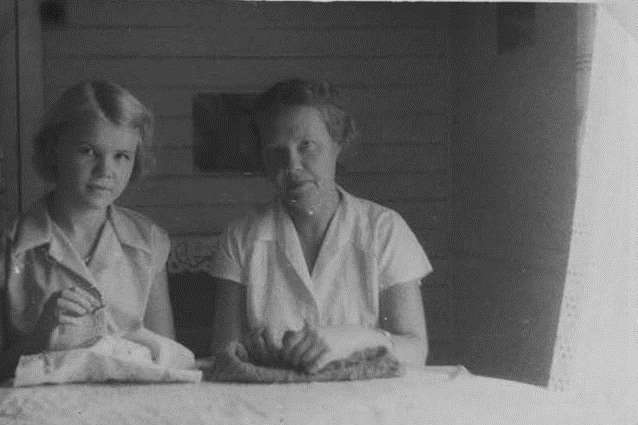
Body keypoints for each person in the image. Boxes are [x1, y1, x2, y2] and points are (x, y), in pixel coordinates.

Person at [210, 78, 432, 373]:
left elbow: (416, 350)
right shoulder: (241, 236)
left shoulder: (384, 229)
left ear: (337, 144)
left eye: (307, 146)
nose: (292, 166)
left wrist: (352, 340)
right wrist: (251, 351)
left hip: (367, 403)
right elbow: (223, 353)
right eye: (276, 152)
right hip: (275, 405)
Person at [0, 81, 176, 379]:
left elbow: (168, 356)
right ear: (54, 148)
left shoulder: (147, 242)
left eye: (122, 156)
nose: (105, 171)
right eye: (88, 151)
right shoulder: (10, 248)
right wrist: (42, 333)